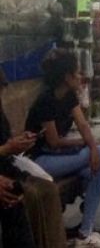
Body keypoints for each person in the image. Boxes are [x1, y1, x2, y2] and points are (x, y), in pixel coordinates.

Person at [26, 49, 100, 247]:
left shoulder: (69, 96)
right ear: (67, 77)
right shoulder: (46, 101)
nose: (81, 76)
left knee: (97, 171)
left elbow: (83, 125)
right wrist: (86, 145)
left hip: (58, 156)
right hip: (40, 162)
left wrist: (91, 146)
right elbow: (54, 142)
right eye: (77, 72)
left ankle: (85, 233)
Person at [1, 67, 62, 248]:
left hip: (7, 167)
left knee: (48, 190)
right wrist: (6, 149)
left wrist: (16, 143)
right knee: (23, 198)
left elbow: (4, 142)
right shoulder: (46, 100)